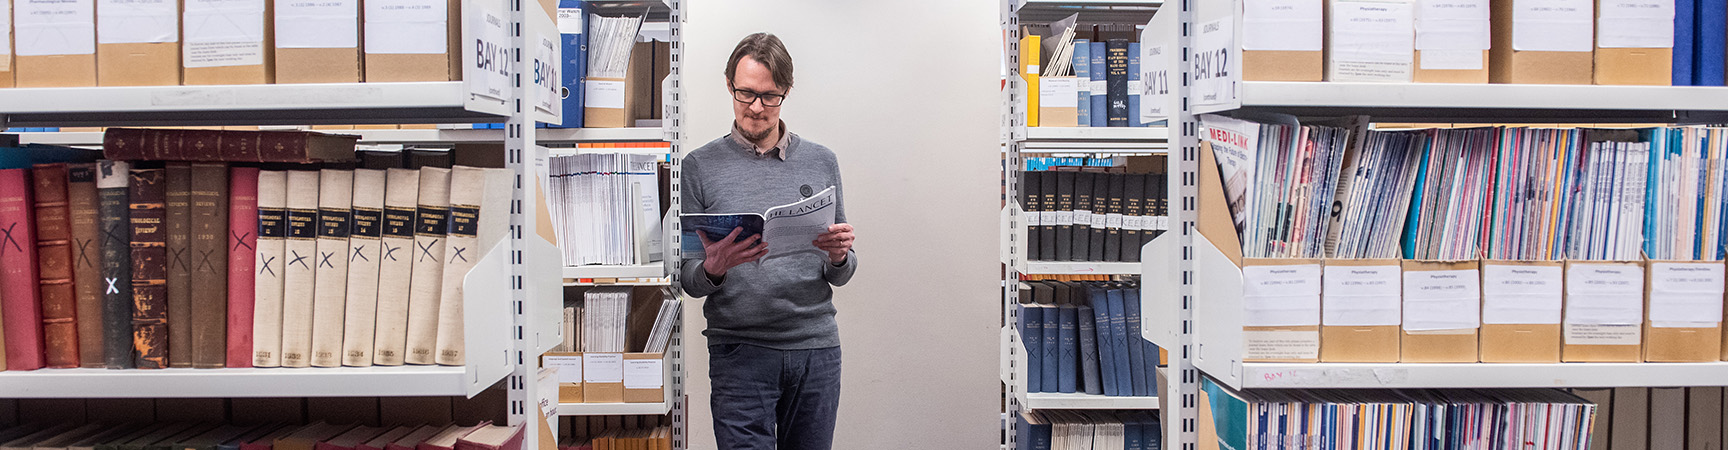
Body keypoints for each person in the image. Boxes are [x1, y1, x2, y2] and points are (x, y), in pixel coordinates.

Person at [679, 32, 858, 450]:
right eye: (746, 94)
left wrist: (839, 256)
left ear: (786, 93)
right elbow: (687, 280)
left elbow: (844, 272)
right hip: (739, 352)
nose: (756, 108)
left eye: (770, 96)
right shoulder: (698, 167)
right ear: (729, 86)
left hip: (815, 347)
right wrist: (712, 269)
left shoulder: (821, 160)